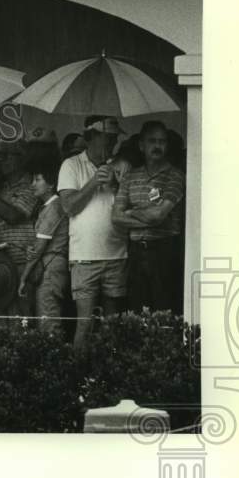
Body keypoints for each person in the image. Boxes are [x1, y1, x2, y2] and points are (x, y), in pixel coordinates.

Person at [57, 115, 128, 349]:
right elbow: (68, 207)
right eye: (107, 137)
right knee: (84, 324)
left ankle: (110, 377)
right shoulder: (71, 165)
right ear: (91, 138)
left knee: (113, 325)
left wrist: (116, 185)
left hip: (117, 254)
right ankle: (79, 380)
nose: (112, 143)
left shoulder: (123, 166)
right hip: (84, 257)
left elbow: (132, 206)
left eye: (115, 138)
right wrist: (93, 182)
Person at [111, 121, 185, 314]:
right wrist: (147, 213)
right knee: (136, 309)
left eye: (162, 141)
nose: (157, 146)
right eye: (152, 141)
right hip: (136, 251)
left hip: (164, 251)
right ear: (141, 145)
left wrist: (132, 211)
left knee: (165, 309)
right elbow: (116, 217)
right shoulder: (130, 177)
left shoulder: (175, 176)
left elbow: (159, 215)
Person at [0, 141, 40, 330]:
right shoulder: (2, 188)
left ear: (20, 159)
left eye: (6, 156)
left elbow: (13, 216)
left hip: (21, 262)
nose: (1, 161)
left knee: (20, 321)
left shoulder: (32, 185)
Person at [18, 164, 69, 334]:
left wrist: (23, 278)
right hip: (49, 264)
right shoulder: (48, 207)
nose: (33, 184)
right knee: (46, 318)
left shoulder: (54, 207)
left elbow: (39, 247)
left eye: (38, 179)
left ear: (51, 184)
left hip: (51, 266)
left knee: (48, 321)